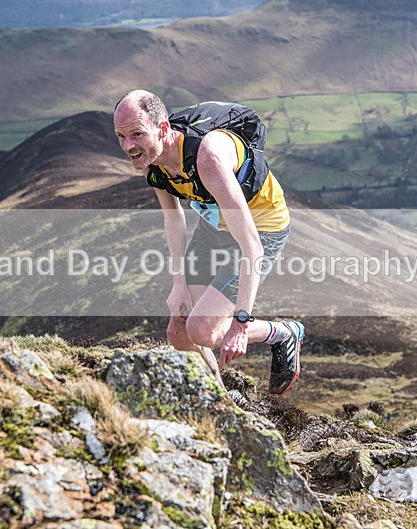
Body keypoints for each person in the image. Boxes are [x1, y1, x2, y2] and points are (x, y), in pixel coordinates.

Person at [113, 89, 303, 396]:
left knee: (203, 330)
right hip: (215, 226)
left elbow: (251, 246)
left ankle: (282, 333)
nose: (128, 146)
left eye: (136, 134)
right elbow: (174, 218)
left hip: (261, 227)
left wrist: (241, 324)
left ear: (163, 129)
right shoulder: (152, 160)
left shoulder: (207, 157)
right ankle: (220, 401)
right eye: (121, 136)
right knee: (179, 333)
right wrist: (178, 284)